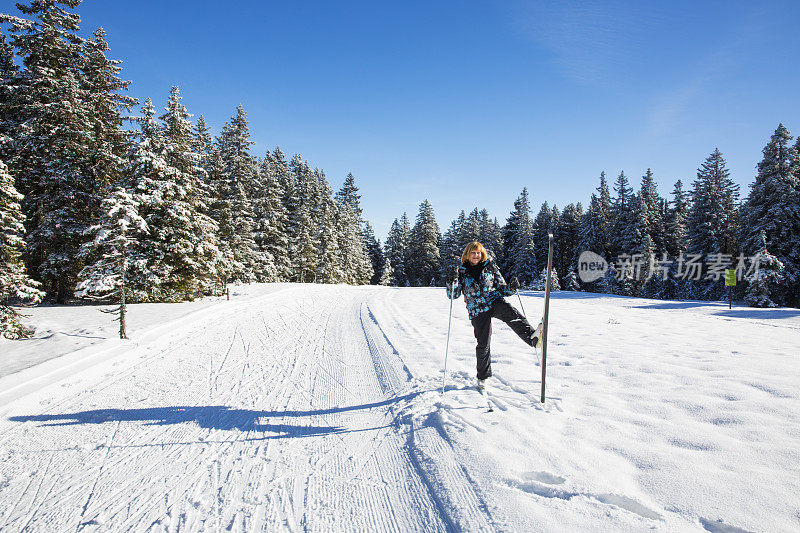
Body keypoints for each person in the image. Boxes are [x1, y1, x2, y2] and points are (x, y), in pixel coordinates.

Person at [446, 241, 542, 389]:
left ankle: (532, 338)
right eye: (473, 253)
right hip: (477, 309)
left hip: (493, 300)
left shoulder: (490, 266)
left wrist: (511, 288)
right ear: (467, 254)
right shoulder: (462, 272)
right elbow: (453, 295)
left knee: (510, 312)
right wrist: (451, 280)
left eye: (478, 253)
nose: (476, 255)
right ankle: (483, 377)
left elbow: (503, 289)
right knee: (483, 343)